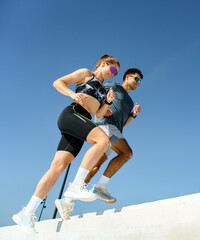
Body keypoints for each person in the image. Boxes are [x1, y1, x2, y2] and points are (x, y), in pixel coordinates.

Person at [12, 54, 120, 234]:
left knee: (57, 168)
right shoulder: (87, 74)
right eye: (114, 69)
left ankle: (27, 212)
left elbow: (99, 115)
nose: (114, 74)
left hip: (82, 121)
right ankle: (77, 186)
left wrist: (107, 102)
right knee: (103, 140)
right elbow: (58, 82)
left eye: (116, 73)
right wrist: (72, 93)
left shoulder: (103, 89)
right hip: (72, 114)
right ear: (103, 63)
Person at [55, 68, 143, 221]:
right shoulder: (113, 86)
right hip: (105, 125)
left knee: (95, 166)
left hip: (116, 129)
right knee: (126, 153)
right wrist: (101, 108)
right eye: (137, 79)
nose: (138, 83)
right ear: (127, 77)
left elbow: (124, 123)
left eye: (140, 81)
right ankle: (100, 187)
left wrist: (133, 115)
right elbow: (98, 94)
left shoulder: (129, 101)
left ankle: (67, 200)